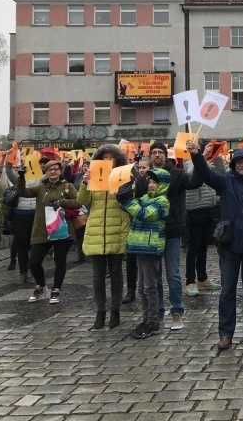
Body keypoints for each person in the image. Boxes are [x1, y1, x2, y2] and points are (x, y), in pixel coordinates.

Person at [186, 140, 243, 350]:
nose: (242, 165)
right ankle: (226, 334)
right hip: (229, 247)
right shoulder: (225, 182)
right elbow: (205, 174)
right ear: (234, 164)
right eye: (239, 162)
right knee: (227, 291)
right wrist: (197, 155)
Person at [148, 142, 203, 331]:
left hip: (172, 230)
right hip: (151, 231)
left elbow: (195, 182)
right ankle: (158, 310)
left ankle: (177, 311)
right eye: (153, 152)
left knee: (173, 274)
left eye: (160, 152)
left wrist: (196, 157)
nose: (157, 155)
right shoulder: (146, 175)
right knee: (154, 275)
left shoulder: (177, 174)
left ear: (166, 155)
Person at [77, 145, 131, 330]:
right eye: (104, 157)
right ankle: (100, 312)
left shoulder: (124, 176)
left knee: (116, 273)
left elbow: (130, 199)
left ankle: (115, 311)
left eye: (111, 157)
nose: (108, 160)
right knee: (97, 276)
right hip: (96, 231)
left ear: (117, 160)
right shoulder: (93, 177)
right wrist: (85, 183)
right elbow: (81, 201)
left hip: (117, 228)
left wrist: (124, 184)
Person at [16, 159, 81, 304]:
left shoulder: (67, 186)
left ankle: (56, 289)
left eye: (56, 169)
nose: (53, 171)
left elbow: (78, 202)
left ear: (60, 171)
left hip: (62, 228)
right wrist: (21, 177)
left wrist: (62, 202)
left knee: (60, 261)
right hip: (42, 229)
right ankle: (41, 285)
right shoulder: (40, 188)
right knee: (34, 261)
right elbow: (21, 192)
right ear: (45, 172)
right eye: (50, 169)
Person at [117, 167, 171, 339]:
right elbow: (132, 209)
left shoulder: (162, 201)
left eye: (155, 182)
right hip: (139, 245)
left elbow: (144, 214)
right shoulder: (144, 198)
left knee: (150, 287)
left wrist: (127, 202)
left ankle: (153, 322)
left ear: (162, 185)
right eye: (150, 182)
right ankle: (146, 318)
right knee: (141, 287)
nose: (151, 185)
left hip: (150, 247)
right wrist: (123, 196)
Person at [183, 155, 223, 297]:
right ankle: (189, 282)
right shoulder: (187, 162)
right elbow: (192, 171)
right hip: (194, 211)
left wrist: (217, 159)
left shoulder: (206, 163)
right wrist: (202, 159)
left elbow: (221, 174)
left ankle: (202, 279)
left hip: (208, 209)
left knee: (203, 247)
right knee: (193, 248)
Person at [3, 154, 38, 284]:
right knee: (21, 245)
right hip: (19, 216)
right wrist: (9, 157)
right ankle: (23, 272)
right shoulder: (18, 179)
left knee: (34, 246)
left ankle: (34, 272)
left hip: (35, 215)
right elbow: (8, 170)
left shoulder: (40, 180)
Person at [122, 157, 152, 304]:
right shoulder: (132, 183)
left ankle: (146, 290)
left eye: (144, 168)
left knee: (146, 263)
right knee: (131, 260)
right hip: (132, 224)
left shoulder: (151, 183)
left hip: (146, 226)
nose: (141, 170)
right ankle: (131, 290)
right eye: (139, 167)